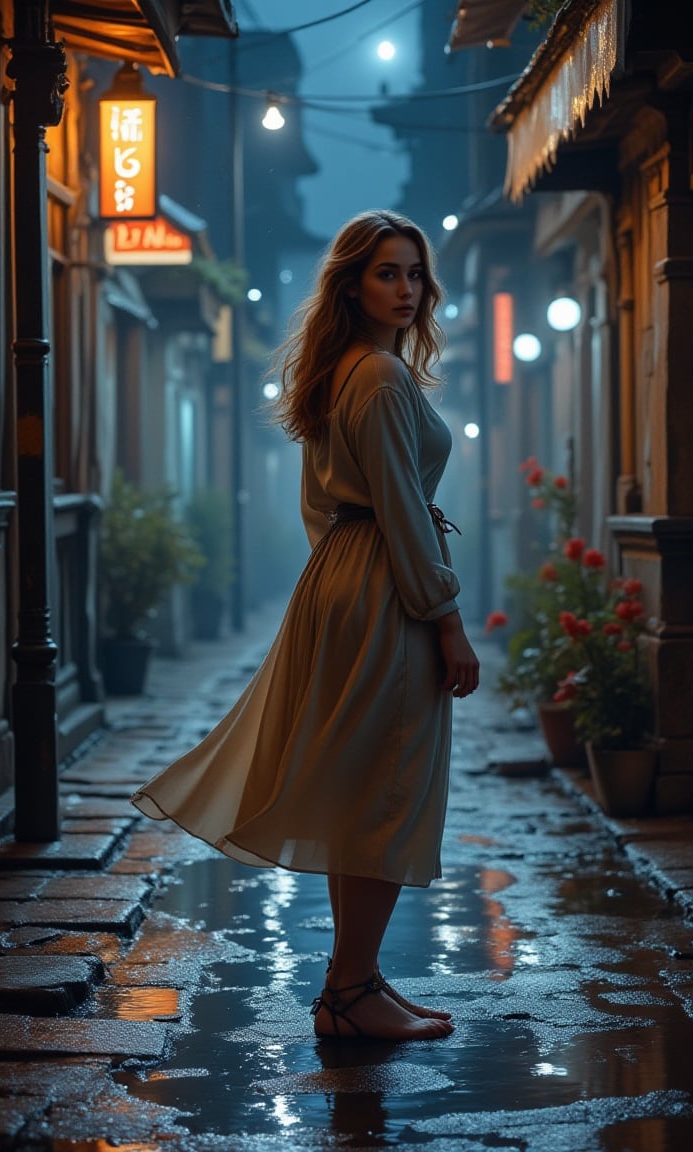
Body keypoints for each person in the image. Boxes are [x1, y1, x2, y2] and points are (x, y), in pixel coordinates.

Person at [131, 209, 480, 1042]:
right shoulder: (383, 379)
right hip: (386, 586)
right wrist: (446, 617)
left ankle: (351, 989)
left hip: (344, 576)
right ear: (352, 284)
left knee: (363, 788)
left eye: (414, 274)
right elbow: (399, 507)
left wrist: (349, 574)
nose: (406, 289)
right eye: (387, 273)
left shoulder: (343, 373)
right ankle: (351, 990)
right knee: (388, 790)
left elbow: (325, 509)